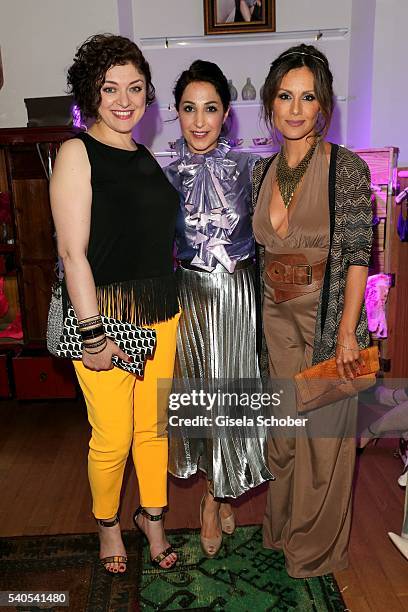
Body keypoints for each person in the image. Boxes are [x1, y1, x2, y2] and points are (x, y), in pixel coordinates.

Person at [50, 34, 180, 574]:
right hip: (104, 318)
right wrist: (92, 333)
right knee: (112, 436)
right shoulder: (77, 151)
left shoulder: (144, 154)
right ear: (91, 93)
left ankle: (151, 516)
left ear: (148, 94)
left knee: (153, 429)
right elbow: (71, 253)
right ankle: (108, 523)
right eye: (110, 88)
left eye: (135, 88)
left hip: (161, 312)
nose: (124, 100)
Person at [252, 44, 373, 577]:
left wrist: (348, 334)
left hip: (327, 325)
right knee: (283, 438)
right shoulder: (260, 171)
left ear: (323, 105)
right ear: (270, 105)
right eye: (285, 95)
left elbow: (356, 257)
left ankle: (315, 553)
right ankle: (280, 533)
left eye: (308, 97)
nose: (296, 108)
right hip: (274, 324)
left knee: (323, 445)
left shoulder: (344, 167)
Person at [164, 60, 273, 557]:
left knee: (231, 401)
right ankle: (218, 493)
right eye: (190, 109)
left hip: (236, 298)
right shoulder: (163, 178)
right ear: (177, 113)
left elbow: (277, 237)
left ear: (227, 113)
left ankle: (214, 498)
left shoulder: (252, 169)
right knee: (201, 402)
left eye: (210, 108)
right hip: (188, 299)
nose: (200, 120)